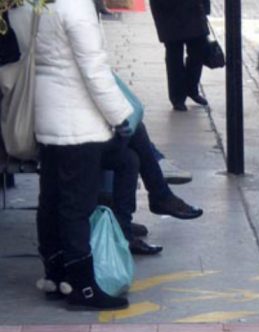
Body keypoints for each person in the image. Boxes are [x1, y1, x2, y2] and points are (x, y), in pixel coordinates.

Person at [9, 0, 133, 310]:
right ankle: (83, 287)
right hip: (77, 121)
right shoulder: (75, 7)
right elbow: (94, 71)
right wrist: (120, 116)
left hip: (46, 115)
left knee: (51, 200)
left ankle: (55, 275)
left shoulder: (30, 5)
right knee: (77, 205)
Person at [102, 122, 203, 256]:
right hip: (74, 139)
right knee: (135, 128)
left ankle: (123, 229)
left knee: (130, 159)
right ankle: (160, 195)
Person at [150, 0, 210, 111]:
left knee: (198, 50)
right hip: (168, 10)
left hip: (193, 8)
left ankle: (191, 88)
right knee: (174, 54)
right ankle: (177, 97)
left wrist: (205, 8)